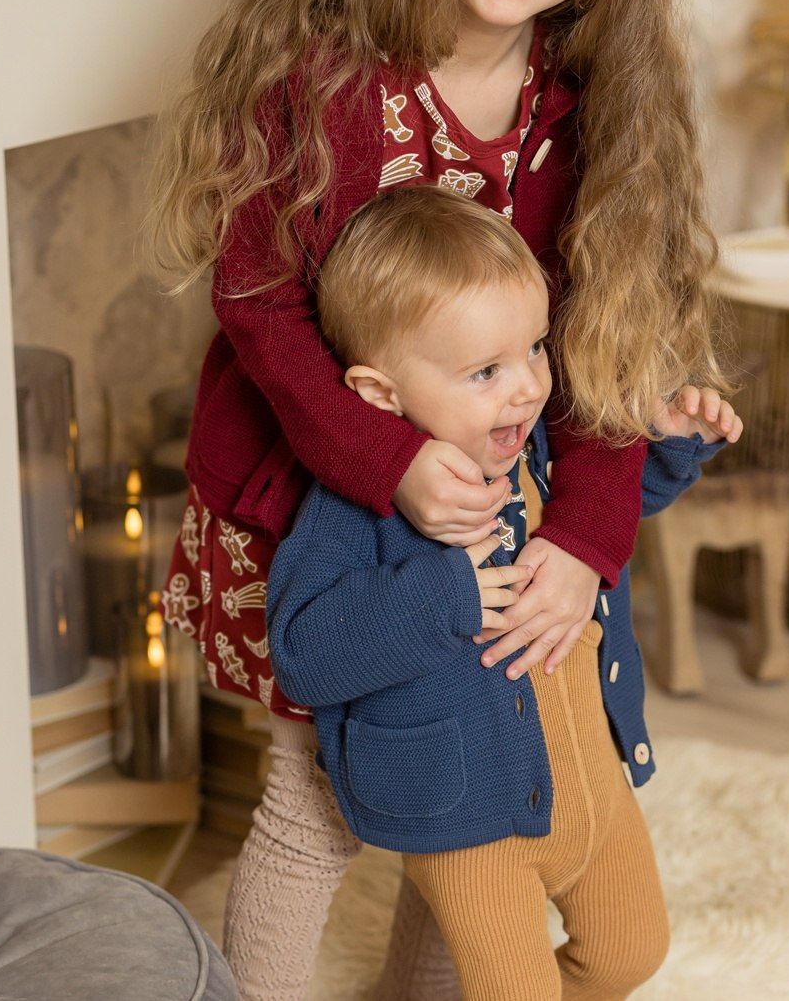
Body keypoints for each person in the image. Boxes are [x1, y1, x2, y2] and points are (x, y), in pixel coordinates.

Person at [151, 0, 738, 1001]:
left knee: (468, 785)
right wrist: (387, 459)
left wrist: (584, 541)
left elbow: (606, 349)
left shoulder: (586, 115)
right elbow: (259, 305)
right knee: (312, 804)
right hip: (319, 497)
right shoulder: (326, 87)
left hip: (496, 506)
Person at [268, 186, 737, 1000]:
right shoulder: (355, 504)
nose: (526, 387)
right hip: (470, 821)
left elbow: (611, 519)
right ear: (380, 394)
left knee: (632, 950)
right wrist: (445, 596)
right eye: (486, 370)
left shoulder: (539, 445)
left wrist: (671, 450)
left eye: (535, 349)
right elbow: (305, 650)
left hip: (590, 780)